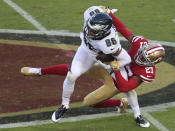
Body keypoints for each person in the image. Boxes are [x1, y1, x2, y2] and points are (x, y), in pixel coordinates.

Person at [21, 6, 165, 127]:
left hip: (119, 77)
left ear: (151, 63)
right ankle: (42, 74)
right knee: (73, 72)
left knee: (91, 101)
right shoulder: (140, 43)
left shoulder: (146, 70)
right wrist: (108, 13)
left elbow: (125, 87)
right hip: (109, 62)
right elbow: (123, 29)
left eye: (143, 58)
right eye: (141, 53)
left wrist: (115, 69)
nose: (139, 56)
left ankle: (135, 114)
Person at [54, 6, 132, 122]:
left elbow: (126, 59)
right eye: (89, 27)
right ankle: (64, 105)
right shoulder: (90, 14)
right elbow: (98, 8)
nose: (89, 31)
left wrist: (112, 65)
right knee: (71, 75)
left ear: (103, 31)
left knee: (125, 86)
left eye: (93, 31)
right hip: (86, 51)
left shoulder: (109, 43)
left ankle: (135, 112)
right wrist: (104, 9)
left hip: (104, 58)